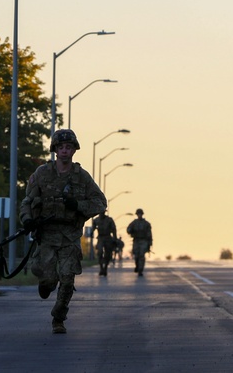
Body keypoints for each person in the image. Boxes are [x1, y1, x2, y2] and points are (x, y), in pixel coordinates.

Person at [19, 129, 106, 334]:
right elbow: (27, 201)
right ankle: (45, 283)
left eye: (68, 147)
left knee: (67, 279)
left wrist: (78, 205)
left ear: (74, 150)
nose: (65, 151)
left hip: (69, 235)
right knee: (48, 279)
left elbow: (100, 203)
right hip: (47, 235)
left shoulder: (82, 177)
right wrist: (28, 219)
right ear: (55, 150)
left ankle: (59, 318)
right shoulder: (42, 173)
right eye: (61, 147)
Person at [126, 208, 153, 276]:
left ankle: (140, 270)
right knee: (136, 255)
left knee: (141, 255)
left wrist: (150, 243)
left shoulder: (146, 224)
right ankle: (137, 266)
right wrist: (131, 231)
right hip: (136, 240)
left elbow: (149, 234)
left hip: (143, 241)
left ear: (142, 214)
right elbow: (128, 229)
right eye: (138, 214)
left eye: (140, 214)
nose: (139, 215)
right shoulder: (134, 223)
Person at [92, 209, 117, 276]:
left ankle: (105, 268)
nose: (101, 213)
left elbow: (114, 229)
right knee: (99, 252)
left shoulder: (109, 220)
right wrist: (91, 233)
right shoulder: (96, 220)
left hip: (108, 238)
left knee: (108, 254)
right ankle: (101, 268)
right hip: (100, 238)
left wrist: (115, 239)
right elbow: (93, 228)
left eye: (102, 212)